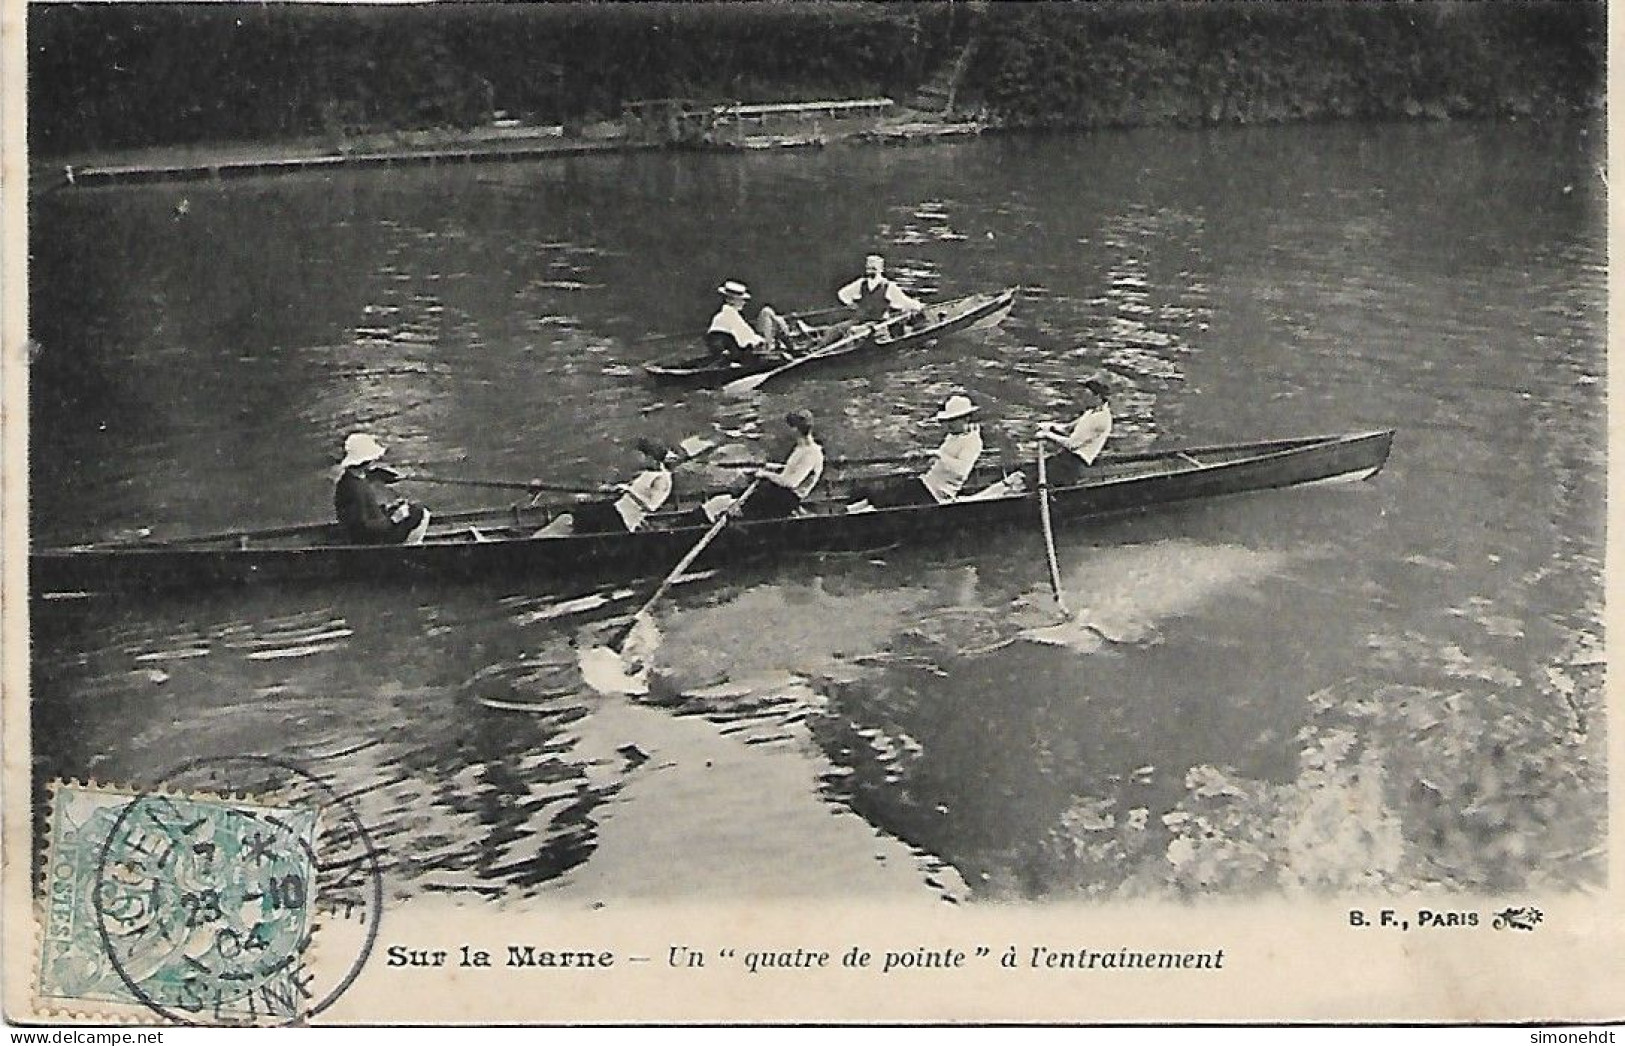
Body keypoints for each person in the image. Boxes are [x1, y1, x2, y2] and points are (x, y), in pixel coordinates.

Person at [850, 395, 984, 510]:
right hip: (926, 483)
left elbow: (960, 470)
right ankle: (856, 507)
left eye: (953, 420)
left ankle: (858, 510)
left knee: (894, 495)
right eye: (948, 421)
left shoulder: (973, 442)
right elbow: (940, 461)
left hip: (937, 495)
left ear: (966, 419)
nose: (949, 425)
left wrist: (938, 456)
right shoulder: (953, 436)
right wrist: (926, 458)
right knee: (890, 488)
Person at [535, 437, 676, 537]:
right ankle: (538, 538)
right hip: (613, 510)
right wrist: (611, 489)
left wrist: (628, 491)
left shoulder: (662, 480)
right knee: (570, 515)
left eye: (641, 455)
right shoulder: (647, 473)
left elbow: (651, 506)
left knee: (572, 520)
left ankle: (537, 540)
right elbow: (630, 492)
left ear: (651, 457)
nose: (637, 458)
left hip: (622, 521)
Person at [333, 432, 431, 545]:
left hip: (379, 531)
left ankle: (412, 545)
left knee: (415, 510)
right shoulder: (351, 487)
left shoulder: (358, 478)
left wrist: (388, 509)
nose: (375, 460)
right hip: (371, 540)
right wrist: (393, 520)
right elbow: (361, 527)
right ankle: (409, 548)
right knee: (419, 513)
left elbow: (369, 511)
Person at [741, 409, 825, 519]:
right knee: (760, 489)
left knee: (761, 493)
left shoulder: (811, 453)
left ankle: (742, 519)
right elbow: (794, 469)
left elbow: (791, 482)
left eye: (788, 427)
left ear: (795, 429)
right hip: (784, 493)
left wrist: (765, 474)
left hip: (790, 498)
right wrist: (771, 467)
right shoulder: (801, 448)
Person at [1038, 377, 1114, 487]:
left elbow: (1071, 444)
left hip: (1076, 463)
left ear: (1097, 396)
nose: (1083, 399)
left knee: (1036, 479)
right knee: (1032, 470)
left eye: (1087, 396)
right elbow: (1067, 428)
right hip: (1066, 457)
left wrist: (1047, 435)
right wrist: (1050, 426)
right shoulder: (1090, 412)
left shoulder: (1101, 419)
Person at [706, 280, 794, 362]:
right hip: (744, 354)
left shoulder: (730, 313)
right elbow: (745, 340)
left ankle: (788, 341)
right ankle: (790, 344)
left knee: (771, 314)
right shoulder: (729, 315)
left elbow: (746, 335)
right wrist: (763, 342)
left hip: (742, 349)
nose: (744, 302)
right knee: (767, 312)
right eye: (741, 300)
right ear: (731, 300)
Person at [837, 254, 923, 323]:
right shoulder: (861, 283)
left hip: (880, 324)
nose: (870, 271)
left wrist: (917, 305)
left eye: (873, 269)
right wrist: (851, 304)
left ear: (881, 269)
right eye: (868, 268)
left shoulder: (889, 286)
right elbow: (842, 293)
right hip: (861, 321)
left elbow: (905, 302)